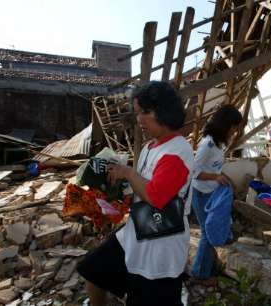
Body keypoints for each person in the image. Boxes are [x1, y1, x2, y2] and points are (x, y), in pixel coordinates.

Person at [77, 81, 193, 306]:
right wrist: (114, 198)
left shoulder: (178, 151)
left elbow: (157, 196)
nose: (139, 119)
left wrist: (128, 173)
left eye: (146, 112)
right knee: (92, 269)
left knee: (150, 297)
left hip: (161, 244)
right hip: (139, 232)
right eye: (138, 113)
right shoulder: (151, 147)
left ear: (165, 112)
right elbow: (142, 189)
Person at [190, 105, 242, 281]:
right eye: (234, 126)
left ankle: (207, 268)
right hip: (201, 193)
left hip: (212, 192)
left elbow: (215, 167)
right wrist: (215, 177)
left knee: (211, 230)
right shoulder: (208, 144)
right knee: (207, 233)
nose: (235, 130)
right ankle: (200, 273)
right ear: (226, 124)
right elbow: (193, 171)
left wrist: (221, 177)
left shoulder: (219, 143)